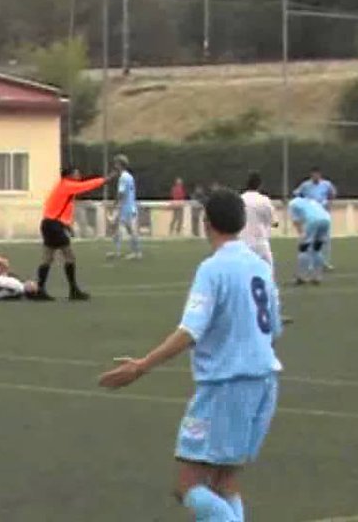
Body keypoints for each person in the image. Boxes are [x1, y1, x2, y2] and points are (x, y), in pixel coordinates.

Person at [98, 189, 282, 522]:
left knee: (188, 485)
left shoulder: (213, 269)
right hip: (264, 383)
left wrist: (140, 367)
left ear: (206, 223)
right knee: (224, 481)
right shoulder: (261, 267)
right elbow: (274, 329)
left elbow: (189, 332)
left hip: (226, 387)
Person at [37, 167, 110, 301]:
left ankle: (40, 289)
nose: (79, 175)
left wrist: (66, 224)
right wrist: (105, 179)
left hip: (48, 224)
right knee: (69, 256)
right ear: (69, 175)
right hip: (54, 225)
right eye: (77, 173)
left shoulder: (62, 186)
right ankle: (73, 290)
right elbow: (86, 186)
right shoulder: (67, 185)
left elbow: (60, 208)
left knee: (47, 258)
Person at [293, 167, 337, 269]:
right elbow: (297, 194)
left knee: (325, 239)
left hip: (323, 214)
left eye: (317, 174)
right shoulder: (305, 185)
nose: (315, 176)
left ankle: (325, 262)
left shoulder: (326, 184)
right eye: (313, 175)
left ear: (320, 175)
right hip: (311, 216)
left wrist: (329, 203)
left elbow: (332, 194)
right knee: (310, 239)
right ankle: (310, 263)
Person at [288, 196, 331, 285]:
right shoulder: (311, 201)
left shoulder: (292, 203)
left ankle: (301, 277)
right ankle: (317, 277)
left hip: (313, 220)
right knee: (317, 248)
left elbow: (296, 221)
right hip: (326, 219)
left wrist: (301, 234)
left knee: (303, 248)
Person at [107, 154, 142, 260]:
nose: (114, 166)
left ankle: (136, 253)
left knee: (130, 230)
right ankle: (118, 251)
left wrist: (115, 204)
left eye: (116, 163)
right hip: (128, 207)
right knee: (119, 230)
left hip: (126, 208)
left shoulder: (123, 177)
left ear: (119, 165)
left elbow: (121, 193)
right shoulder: (129, 176)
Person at [241, 172, 277, 269]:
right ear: (260, 185)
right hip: (260, 241)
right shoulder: (264, 200)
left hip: (242, 242)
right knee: (267, 271)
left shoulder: (239, 199)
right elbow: (274, 222)